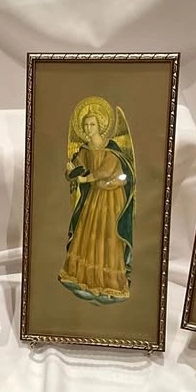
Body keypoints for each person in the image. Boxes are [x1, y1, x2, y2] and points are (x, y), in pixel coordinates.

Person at [58, 100, 135, 304]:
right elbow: (76, 168)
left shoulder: (112, 148)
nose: (88, 128)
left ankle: (110, 283)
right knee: (88, 234)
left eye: (92, 124)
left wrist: (85, 179)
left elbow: (106, 170)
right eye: (85, 125)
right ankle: (86, 278)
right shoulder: (85, 149)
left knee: (108, 236)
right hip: (94, 197)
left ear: (100, 126)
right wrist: (70, 170)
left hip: (111, 196)